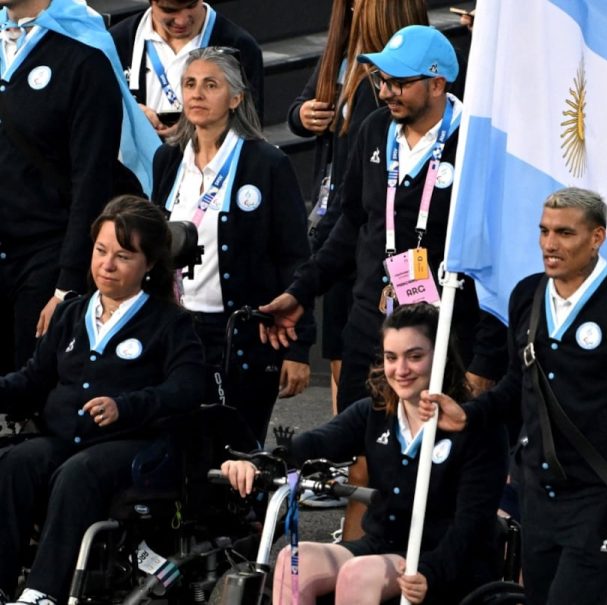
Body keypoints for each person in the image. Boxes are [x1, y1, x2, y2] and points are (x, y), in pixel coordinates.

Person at [419, 188, 607, 604]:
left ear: (597, 238)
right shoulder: (527, 296)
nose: (550, 244)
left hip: (599, 501)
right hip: (537, 499)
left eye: (565, 233)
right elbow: (519, 384)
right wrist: (469, 414)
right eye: (544, 231)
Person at [259, 25, 505, 422]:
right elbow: (349, 222)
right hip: (370, 326)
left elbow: (497, 255)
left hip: (444, 335)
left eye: (399, 83)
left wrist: (486, 359)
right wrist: (301, 292)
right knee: (360, 455)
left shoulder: (477, 142)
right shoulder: (374, 128)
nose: (386, 91)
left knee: (430, 466)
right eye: (382, 79)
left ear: (437, 83)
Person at [220, 303, 507, 605]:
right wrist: (252, 463)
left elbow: (471, 527)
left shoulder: (477, 427)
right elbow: (313, 444)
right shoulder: (376, 413)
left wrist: (431, 572)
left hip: (444, 560)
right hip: (381, 546)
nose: (401, 369)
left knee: (358, 575)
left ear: (442, 358)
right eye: (391, 357)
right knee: (295, 561)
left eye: (415, 356)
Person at [0, 196, 205, 605]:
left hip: (132, 446)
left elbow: (187, 388)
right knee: (16, 464)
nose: (107, 265)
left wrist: (124, 405)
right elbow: (33, 380)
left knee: (79, 473)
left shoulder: (171, 323)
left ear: (148, 265)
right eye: (100, 251)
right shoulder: (71, 313)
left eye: (123, 256)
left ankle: (43, 592)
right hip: (65, 438)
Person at [150, 47, 311, 444]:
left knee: (237, 449)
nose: (198, 94)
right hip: (177, 328)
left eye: (211, 85)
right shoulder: (168, 160)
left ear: (236, 98)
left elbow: (295, 257)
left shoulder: (268, 163)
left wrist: (300, 349)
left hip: (241, 334)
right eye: (190, 84)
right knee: (179, 444)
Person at [287, 0, 428, 419]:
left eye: (358, 5)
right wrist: (301, 115)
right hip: (343, 227)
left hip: (398, 267)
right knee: (349, 373)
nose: (349, 11)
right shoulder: (344, 59)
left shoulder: (380, 96)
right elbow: (301, 105)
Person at [0, 0, 124, 374]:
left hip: (47, 256)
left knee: (34, 397)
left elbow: (92, 180)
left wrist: (66, 286)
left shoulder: (85, 54)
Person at [110, 0, 263, 135]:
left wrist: (195, 132)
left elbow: (250, 130)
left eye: (191, 6)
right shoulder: (116, 42)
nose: (181, 21)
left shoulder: (240, 47)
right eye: (169, 10)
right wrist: (127, 115)